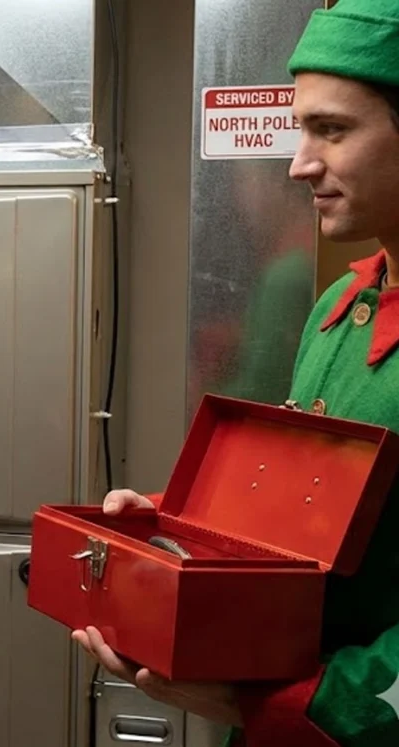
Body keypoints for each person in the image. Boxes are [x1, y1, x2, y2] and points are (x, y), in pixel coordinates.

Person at [74, 1, 399, 745]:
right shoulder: (337, 308)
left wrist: (278, 705)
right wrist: (176, 525)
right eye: (300, 129)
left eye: (333, 129)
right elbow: (303, 510)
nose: (298, 164)